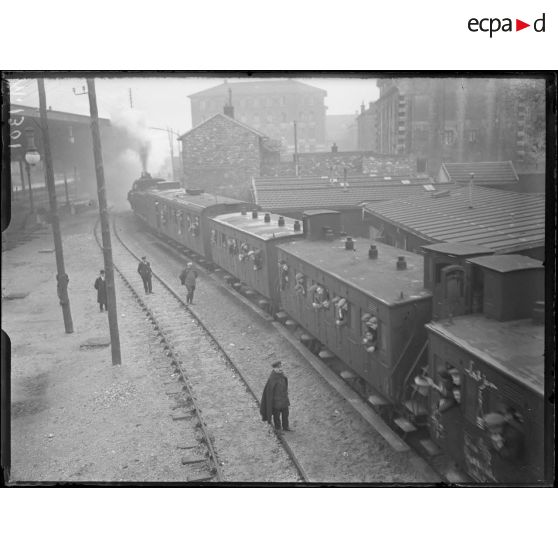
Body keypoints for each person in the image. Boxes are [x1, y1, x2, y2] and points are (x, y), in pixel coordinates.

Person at [260, 361, 292, 432]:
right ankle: (278, 429)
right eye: (278, 368)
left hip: (284, 401)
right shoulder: (272, 379)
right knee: (276, 417)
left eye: (281, 367)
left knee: (285, 415)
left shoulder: (282, 376)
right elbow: (268, 393)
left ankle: (286, 427)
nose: (280, 369)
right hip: (276, 402)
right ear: (274, 369)